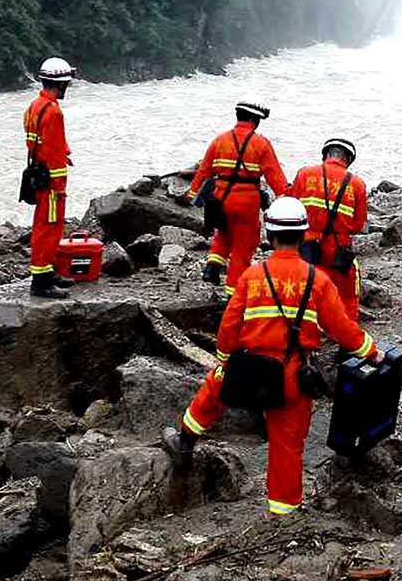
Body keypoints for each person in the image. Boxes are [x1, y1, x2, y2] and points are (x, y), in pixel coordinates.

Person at [163, 197, 381, 518]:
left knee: (216, 387)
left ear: (270, 233)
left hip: (249, 366)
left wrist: (225, 358)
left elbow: (229, 324)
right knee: (286, 449)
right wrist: (371, 352)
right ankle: (283, 512)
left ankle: (185, 440)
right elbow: (342, 328)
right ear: (304, 234)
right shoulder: (317, 279)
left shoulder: (252, 275)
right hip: (291, 375)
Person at [179, 102, 289, 297]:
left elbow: (205, 170)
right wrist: (285, 198)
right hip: (246, 200)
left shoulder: (220, 140)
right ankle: (233, 291)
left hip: (220, 197)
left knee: (223, 231)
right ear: (254, 120)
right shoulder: (261, 143)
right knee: (243, 245)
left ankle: (212, 267)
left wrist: (190, 194)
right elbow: (274, 175)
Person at [290, 138, 368, 321]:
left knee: (304, 290)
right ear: (347, 159)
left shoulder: (304, 174)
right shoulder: (357, 184)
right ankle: (347, 341)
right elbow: (357, 225)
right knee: (348, 294)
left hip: (305, 246)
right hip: (338, 249)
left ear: (325, 154)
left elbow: (292, 207)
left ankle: (304, 331)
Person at [23, 57, 76, 299]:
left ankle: (48, 272)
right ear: (61, 84)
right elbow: (52, 152)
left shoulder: (35, 106)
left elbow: (38, 142)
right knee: (49, 228)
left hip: (39, 173)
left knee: (44, 225)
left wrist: (64, 153)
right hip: (52, 182)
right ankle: (41, 281)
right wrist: (59, 185)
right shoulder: (53, 111)